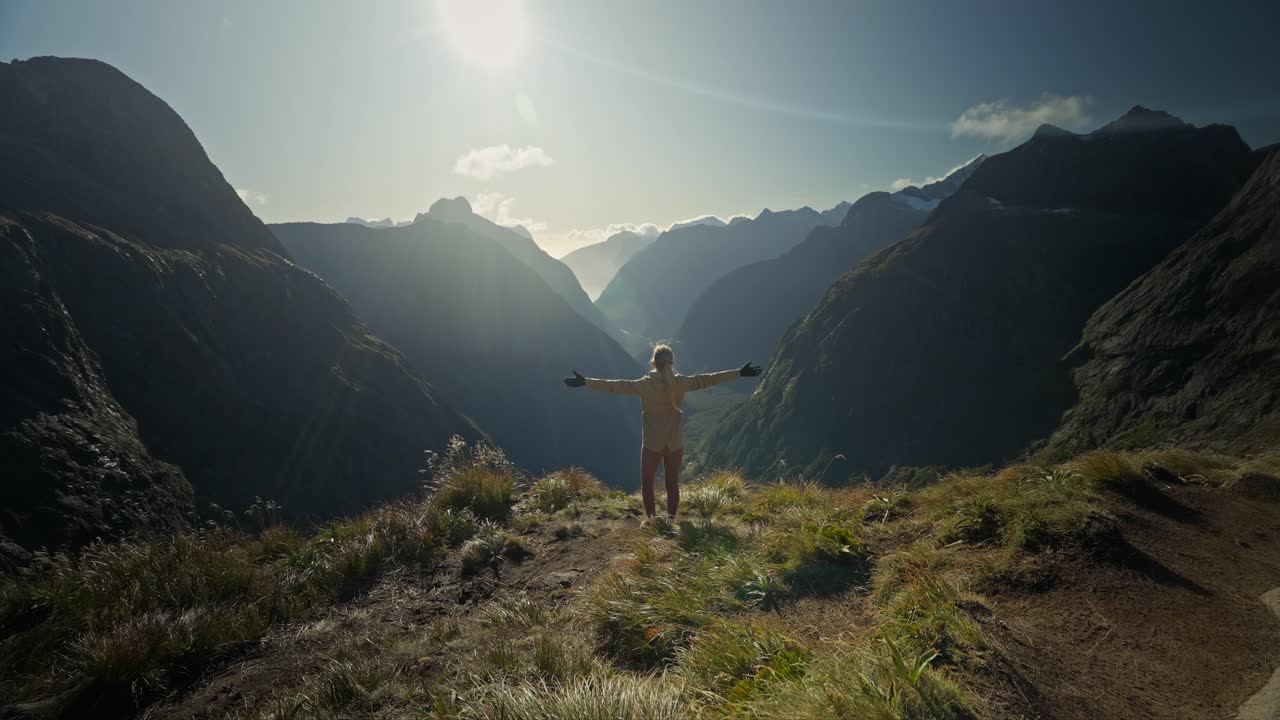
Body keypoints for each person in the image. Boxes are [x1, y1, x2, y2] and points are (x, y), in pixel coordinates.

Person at [563, 344, 761, 521]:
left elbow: (614, 386)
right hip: (675, 443)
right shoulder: (680, 383)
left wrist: (586, 382)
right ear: (672, 363)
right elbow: (707, 380)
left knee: (647, 483)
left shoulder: (643, 385)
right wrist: (739, 373)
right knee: (672, 484)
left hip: (652, 444)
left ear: (652, 362)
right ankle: (671, 520)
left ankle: (651, 520)